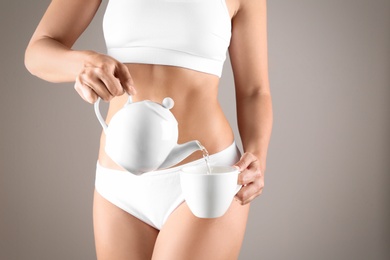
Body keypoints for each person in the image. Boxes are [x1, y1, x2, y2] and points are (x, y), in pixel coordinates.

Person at [25, 0, 272, 259]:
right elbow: (38, 50)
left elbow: (255, 91)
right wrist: (83, 63)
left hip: (205, 174)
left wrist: (257, 156)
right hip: (118, 184)